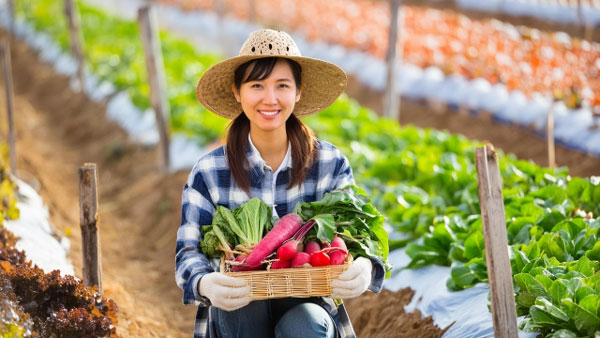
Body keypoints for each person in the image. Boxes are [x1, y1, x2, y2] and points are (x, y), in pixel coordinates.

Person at [175, 29, 385, 338]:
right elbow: (187, 252)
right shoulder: (209, 170)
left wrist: (366, 265)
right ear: (237, 91)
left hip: (308, 305)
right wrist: (203, 282)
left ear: (298, 92)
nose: (270, 99)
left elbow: (357, 236)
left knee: (307, 323)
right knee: (242, 309)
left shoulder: (329, 164)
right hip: (236, 309)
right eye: (257, 85)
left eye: (282, 85)